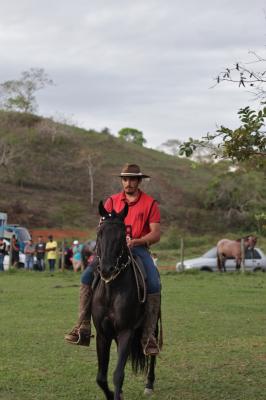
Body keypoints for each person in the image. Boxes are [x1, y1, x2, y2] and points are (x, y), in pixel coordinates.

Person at [65, 163, 161, 356]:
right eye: (125, 179)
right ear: (122, 181)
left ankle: (148, 336)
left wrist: (137, 240)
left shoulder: (150, 203)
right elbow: (101, 228)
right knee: (86, 277)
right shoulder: (111, 201)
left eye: (133, 179)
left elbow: (156, 234)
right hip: (112, 251)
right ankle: (82, 326)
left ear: (139, 181)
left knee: (153, 282)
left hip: (138, 248)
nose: (129, 183)